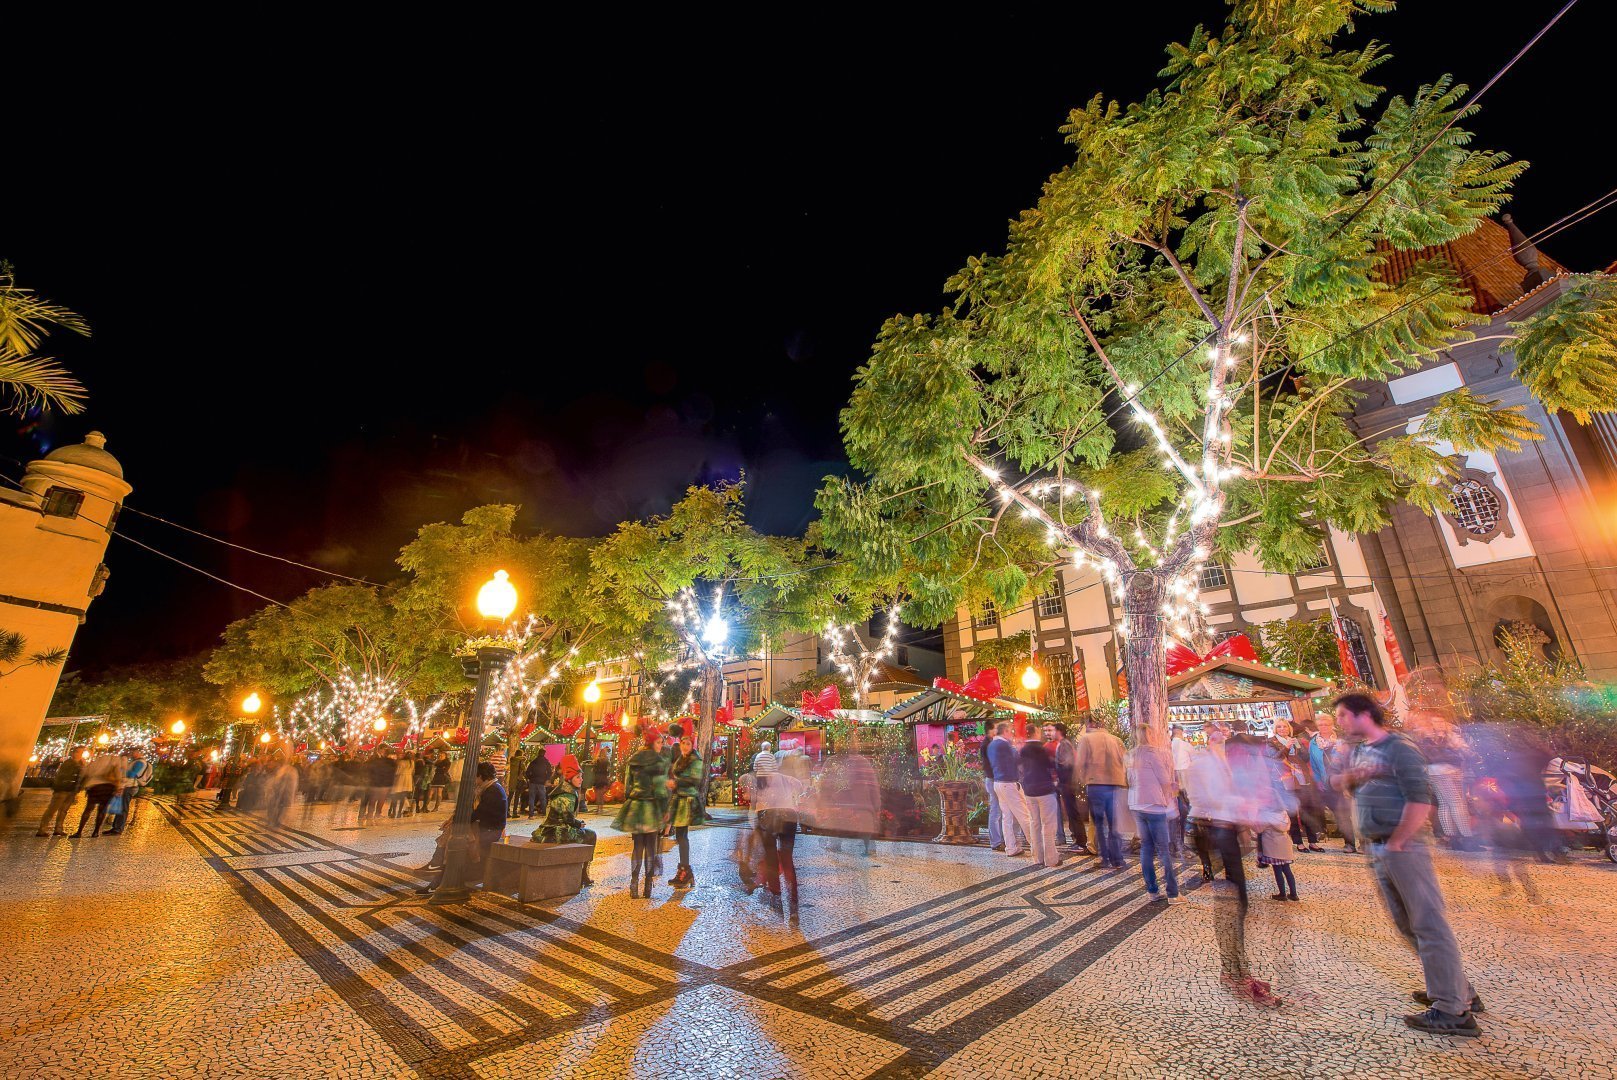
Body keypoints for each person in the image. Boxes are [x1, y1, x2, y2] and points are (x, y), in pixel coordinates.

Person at [1335, 692, 1482, 1037]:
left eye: (1342, 715)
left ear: (1363, 715)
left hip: (1402, 847)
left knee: (1428, 924)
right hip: (1379, 847)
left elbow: (1422, 798)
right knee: (1406, 925)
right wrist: (1351, 778)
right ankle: (1458, 990)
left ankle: (1452, 1010)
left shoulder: (1400, 748)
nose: (1339, 722)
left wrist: (1400, 840)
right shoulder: (1361, 751)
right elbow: (1347, 788)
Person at [615, 727, 670, 899]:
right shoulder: (659, 762)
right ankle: (647, 885)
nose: (661, 746)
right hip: (652, 808)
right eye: (659, 742)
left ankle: (633, 882)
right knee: (651, 847)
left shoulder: (633, 759)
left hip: (636, 807)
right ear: (653, 743)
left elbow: (627, 787)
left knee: (637, 846)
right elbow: (661, 790)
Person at [1128, 729, 1181, 904]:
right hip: (1154, 806)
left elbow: (1129, 779)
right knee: (1163, 849)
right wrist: (1173, 787)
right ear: (1151, 735)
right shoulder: (1154, 754)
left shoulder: (1130, 755)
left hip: (1136, 804)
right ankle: (1173, 893)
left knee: (1146, 848)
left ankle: (1152, 890)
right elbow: (1164, 781)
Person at [1074, 716, 1128, 869]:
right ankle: (1117, 859)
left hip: (1095, 785)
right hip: (1114, 785)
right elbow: (1126, 760)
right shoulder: (1115, 740)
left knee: (1099, 823)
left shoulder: (1087, 739)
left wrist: (1083, 779)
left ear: (1092, 725)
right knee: (1113, 823)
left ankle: (1104, 857)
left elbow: (1080, 763)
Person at [1270, 720, 1324, 852]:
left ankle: (1312, 841)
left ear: (1289, 729)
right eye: (1279, 727)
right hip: (1285, 778)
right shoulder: (1271, 742)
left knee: (1307, 809)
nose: (1282, 729)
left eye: (1285, 727)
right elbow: (1275, 758)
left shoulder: (1295, 740)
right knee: (1292, 811)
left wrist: (1300, 747)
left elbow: (1305, 758)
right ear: (1275, 729)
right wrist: (1287, 747)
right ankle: (1298, 842)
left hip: (1301, 776)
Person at [665, 725, 705, 889]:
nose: (685, 747)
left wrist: (677, 782)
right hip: (679, 800)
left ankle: (685, 872)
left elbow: (695, 779)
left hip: (687, 801)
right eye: (683, 744)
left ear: (692, 745)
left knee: (682, 837)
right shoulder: (681, 758)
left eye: (688, 744)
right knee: (680, 837)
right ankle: (684, 871)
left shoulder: (695, 760)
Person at [1310, 713, 1357, 852]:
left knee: (1345, 813)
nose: (1324, 727)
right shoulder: (1314, 743)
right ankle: (1347, 840)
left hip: (1340, 782)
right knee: (1336, 813)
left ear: (1332, 725)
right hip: (1325, 783)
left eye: (1326, 724)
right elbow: (1314, 765)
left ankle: (1351, 843)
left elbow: (1350, 760)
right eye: (1321, 725)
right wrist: (1318, 781)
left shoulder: (1340, 740)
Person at [987, 722, 1033, 859]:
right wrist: (1019, 747)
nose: (1011, 734)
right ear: (1005, 731)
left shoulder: (991, 745)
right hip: (1009, 783)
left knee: (1007, 817)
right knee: (1024, 815)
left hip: (998, 782)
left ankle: (1011, 847)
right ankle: (1037, 845)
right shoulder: (1004, 744)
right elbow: (1019, 759)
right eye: (1010, 732)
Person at [1046, 722, 1091, 854]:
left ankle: (1081, 842)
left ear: (1059, 731)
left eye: (1053, 730)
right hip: (1067, 783)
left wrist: (1060, 778)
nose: (1051, 733)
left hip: (1068, 784)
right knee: (1072, 813)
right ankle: (1078, 840)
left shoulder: (1064, 744)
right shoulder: (1063, 744)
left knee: (1073, 813)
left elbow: (1068, 764)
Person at [1019, 732, 1061, 868]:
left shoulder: (1023, 750)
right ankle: (1051, 859)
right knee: (1048, 825)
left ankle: (1037, 858)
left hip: (1029, 791)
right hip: (1045, 791)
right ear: (1036, 732)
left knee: (1034, 823)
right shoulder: (1043, 749)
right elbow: (1052, 766)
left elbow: (1019, 767)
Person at [71, 747, 127, 839]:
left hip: (94, 786)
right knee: (101, 810)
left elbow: (86, 771)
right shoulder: (115, 760)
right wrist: (119, 787)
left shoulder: (98, 760)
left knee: (88, 809)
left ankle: (79, 831)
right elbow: (118, 774)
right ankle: (96, 832)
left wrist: (82, 785)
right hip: (108, 787)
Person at [469, 762, 508, 887]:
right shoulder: (491, 787)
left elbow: (479, 812)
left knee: (461, 837)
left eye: (475, 777)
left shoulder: (492, 791)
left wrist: (463, 820)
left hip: (492, 831)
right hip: (490, 827)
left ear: (480, 776)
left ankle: (471, 871)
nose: (474, 780)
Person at [36, 749, 84, 837]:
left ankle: (58, 829)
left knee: (63, 811)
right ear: (73, 753)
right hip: (62, 789)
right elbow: (62, 776)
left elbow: (80, 777)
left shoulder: (79, 764)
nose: (79, 755)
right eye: (78, 752)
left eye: (81, 753)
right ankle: (42, 829)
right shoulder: (69, 763)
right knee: (52, 809)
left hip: (71, 790)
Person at [106, 748, 153, 835]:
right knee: (121, 806)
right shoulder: (136, 761)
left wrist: (120, 770)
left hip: (130, 786)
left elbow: (132, 774)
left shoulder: (140, 762)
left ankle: (118, 828)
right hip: (129, 785)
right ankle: (115, 827)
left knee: (123, 807)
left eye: (134, 752)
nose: (132, 753)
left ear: (139, 752)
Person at [981, 726, 1005, 851]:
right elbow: (991, 764)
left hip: (993, 779)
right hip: (993, 779)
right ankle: (995, 842)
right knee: (995, 811)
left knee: (998, 811)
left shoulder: (990, 743)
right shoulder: (988, 745)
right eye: (995, 728)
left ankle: (999, 839)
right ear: (990, 730)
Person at [524, 751, 553, 819]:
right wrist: (546, 779)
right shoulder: (546, 762)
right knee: (543, 798)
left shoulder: (533, 762)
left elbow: (527, 772)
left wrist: (530, 778)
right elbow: (549, 772)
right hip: (541, 782)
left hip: (533, 782)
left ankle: (531, 814)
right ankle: (544, 813)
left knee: (532, 798)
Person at [388, 753, 415, 818]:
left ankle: (394, 812)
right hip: (408, 780)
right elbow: (412, 772)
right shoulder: (412, 762)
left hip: (400, 780)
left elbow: (397, 771)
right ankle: (399, 812)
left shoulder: (401, 762)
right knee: (403, 797)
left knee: (395, 796)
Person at [590, 746, 612, 813]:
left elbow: (594, 769)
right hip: (604, 778)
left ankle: (598, 808)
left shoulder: (597, 760)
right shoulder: (607, 761)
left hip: (598, 778)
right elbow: (608, 770)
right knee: (601, 794)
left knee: (598, 794)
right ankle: (601, 808)